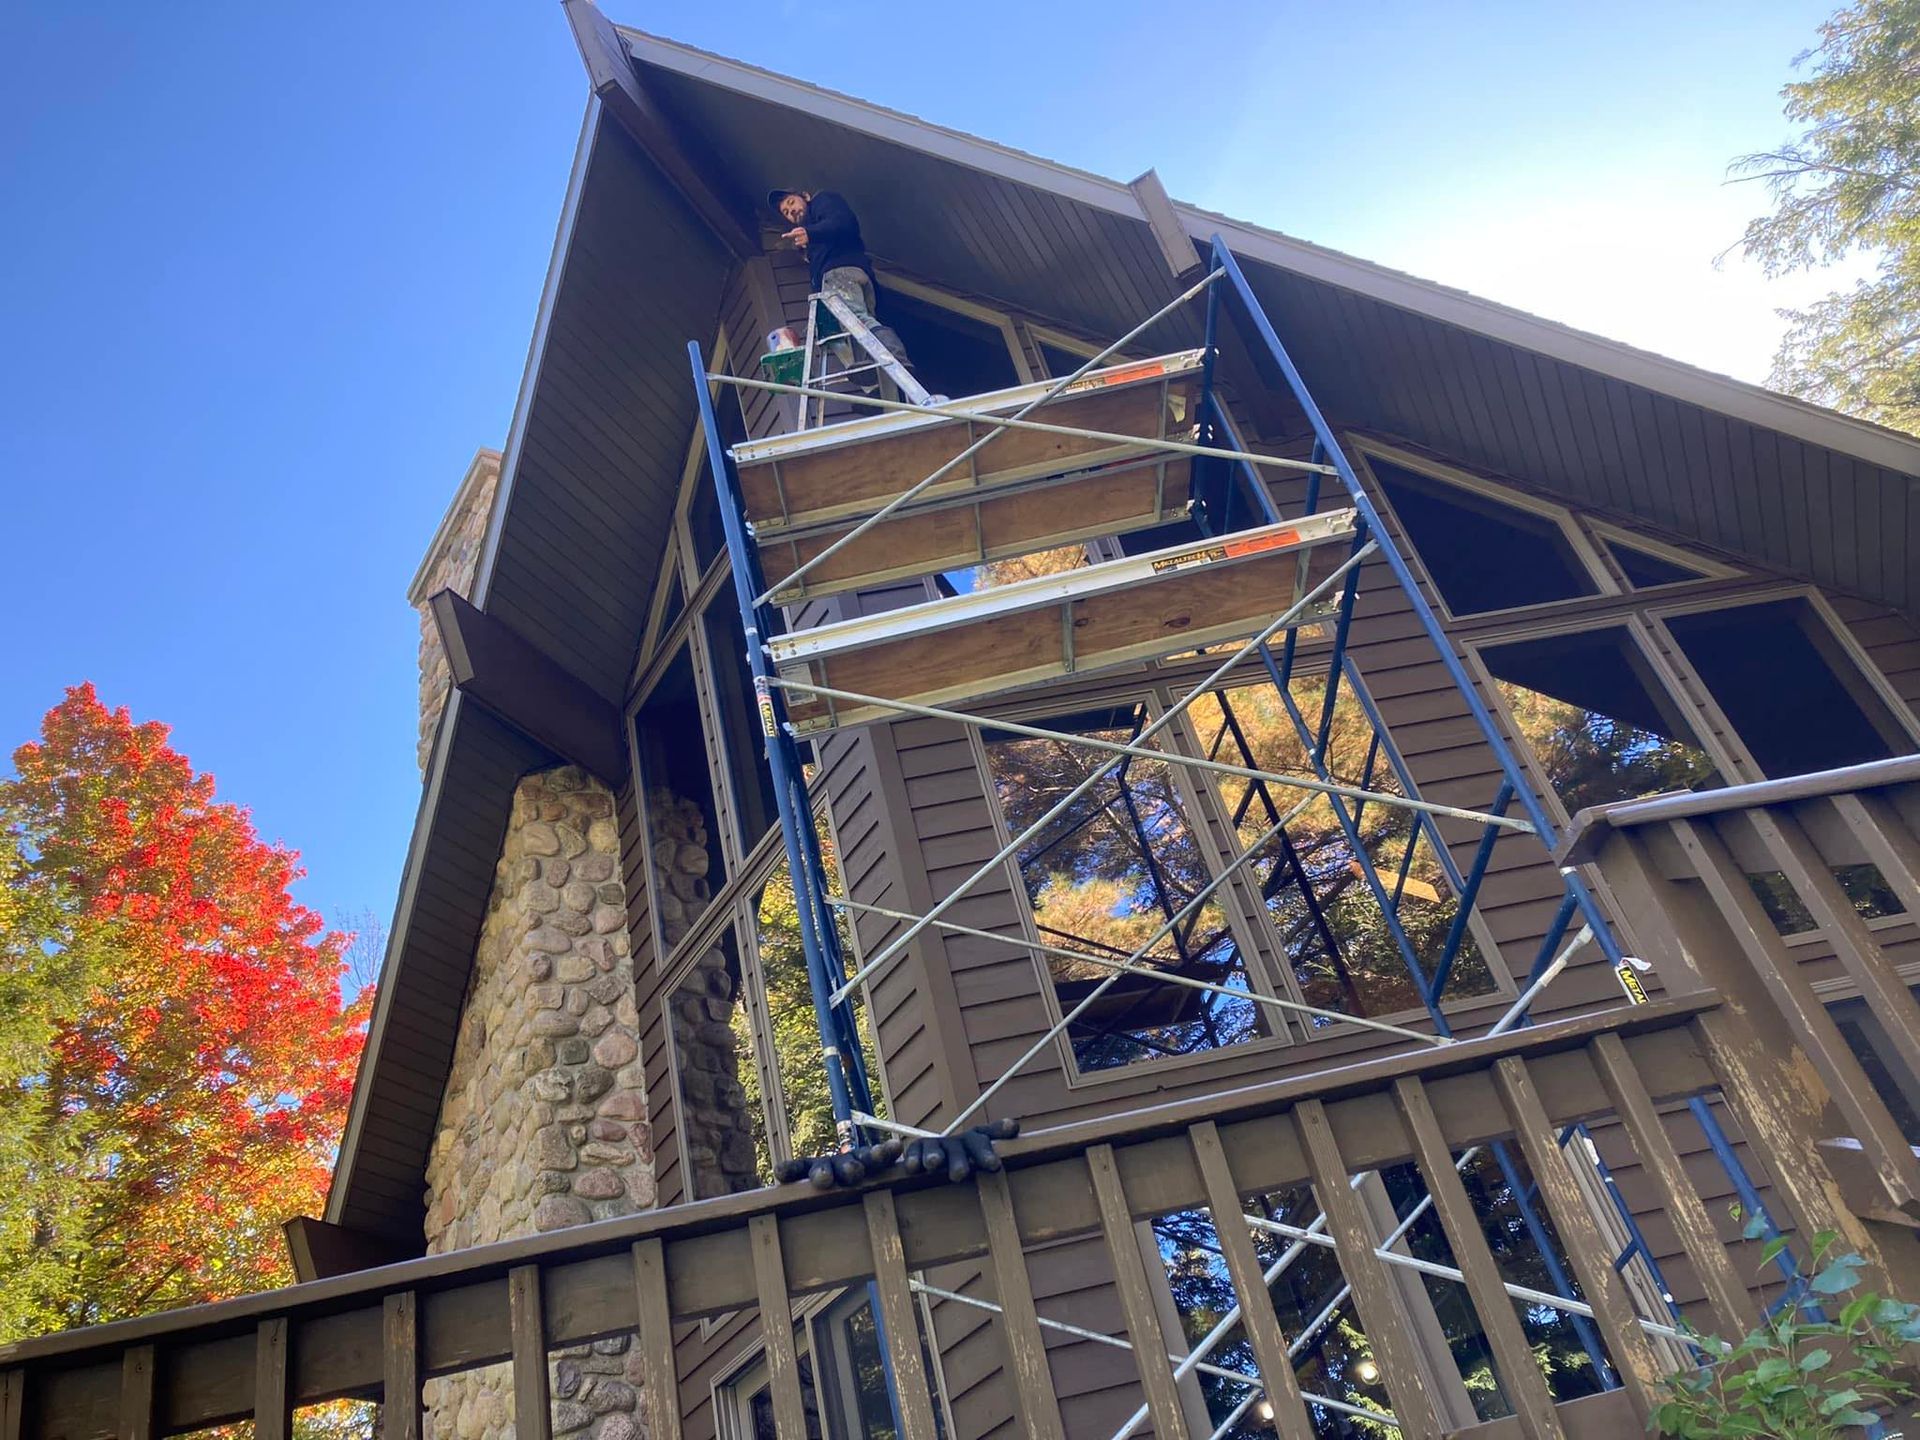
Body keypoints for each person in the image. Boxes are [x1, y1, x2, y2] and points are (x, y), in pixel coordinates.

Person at [768, 187, 924, 394]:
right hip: (838, 280)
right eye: (786, 213)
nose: (791, 211)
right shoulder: (813, 231)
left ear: (804, 197)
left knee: (856, 319)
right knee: (841, 337)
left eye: (791, 203)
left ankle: (893, 355)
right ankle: (875, 390)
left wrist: (811, 234)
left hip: (841, 274)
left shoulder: (822, 201)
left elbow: (844, 222)